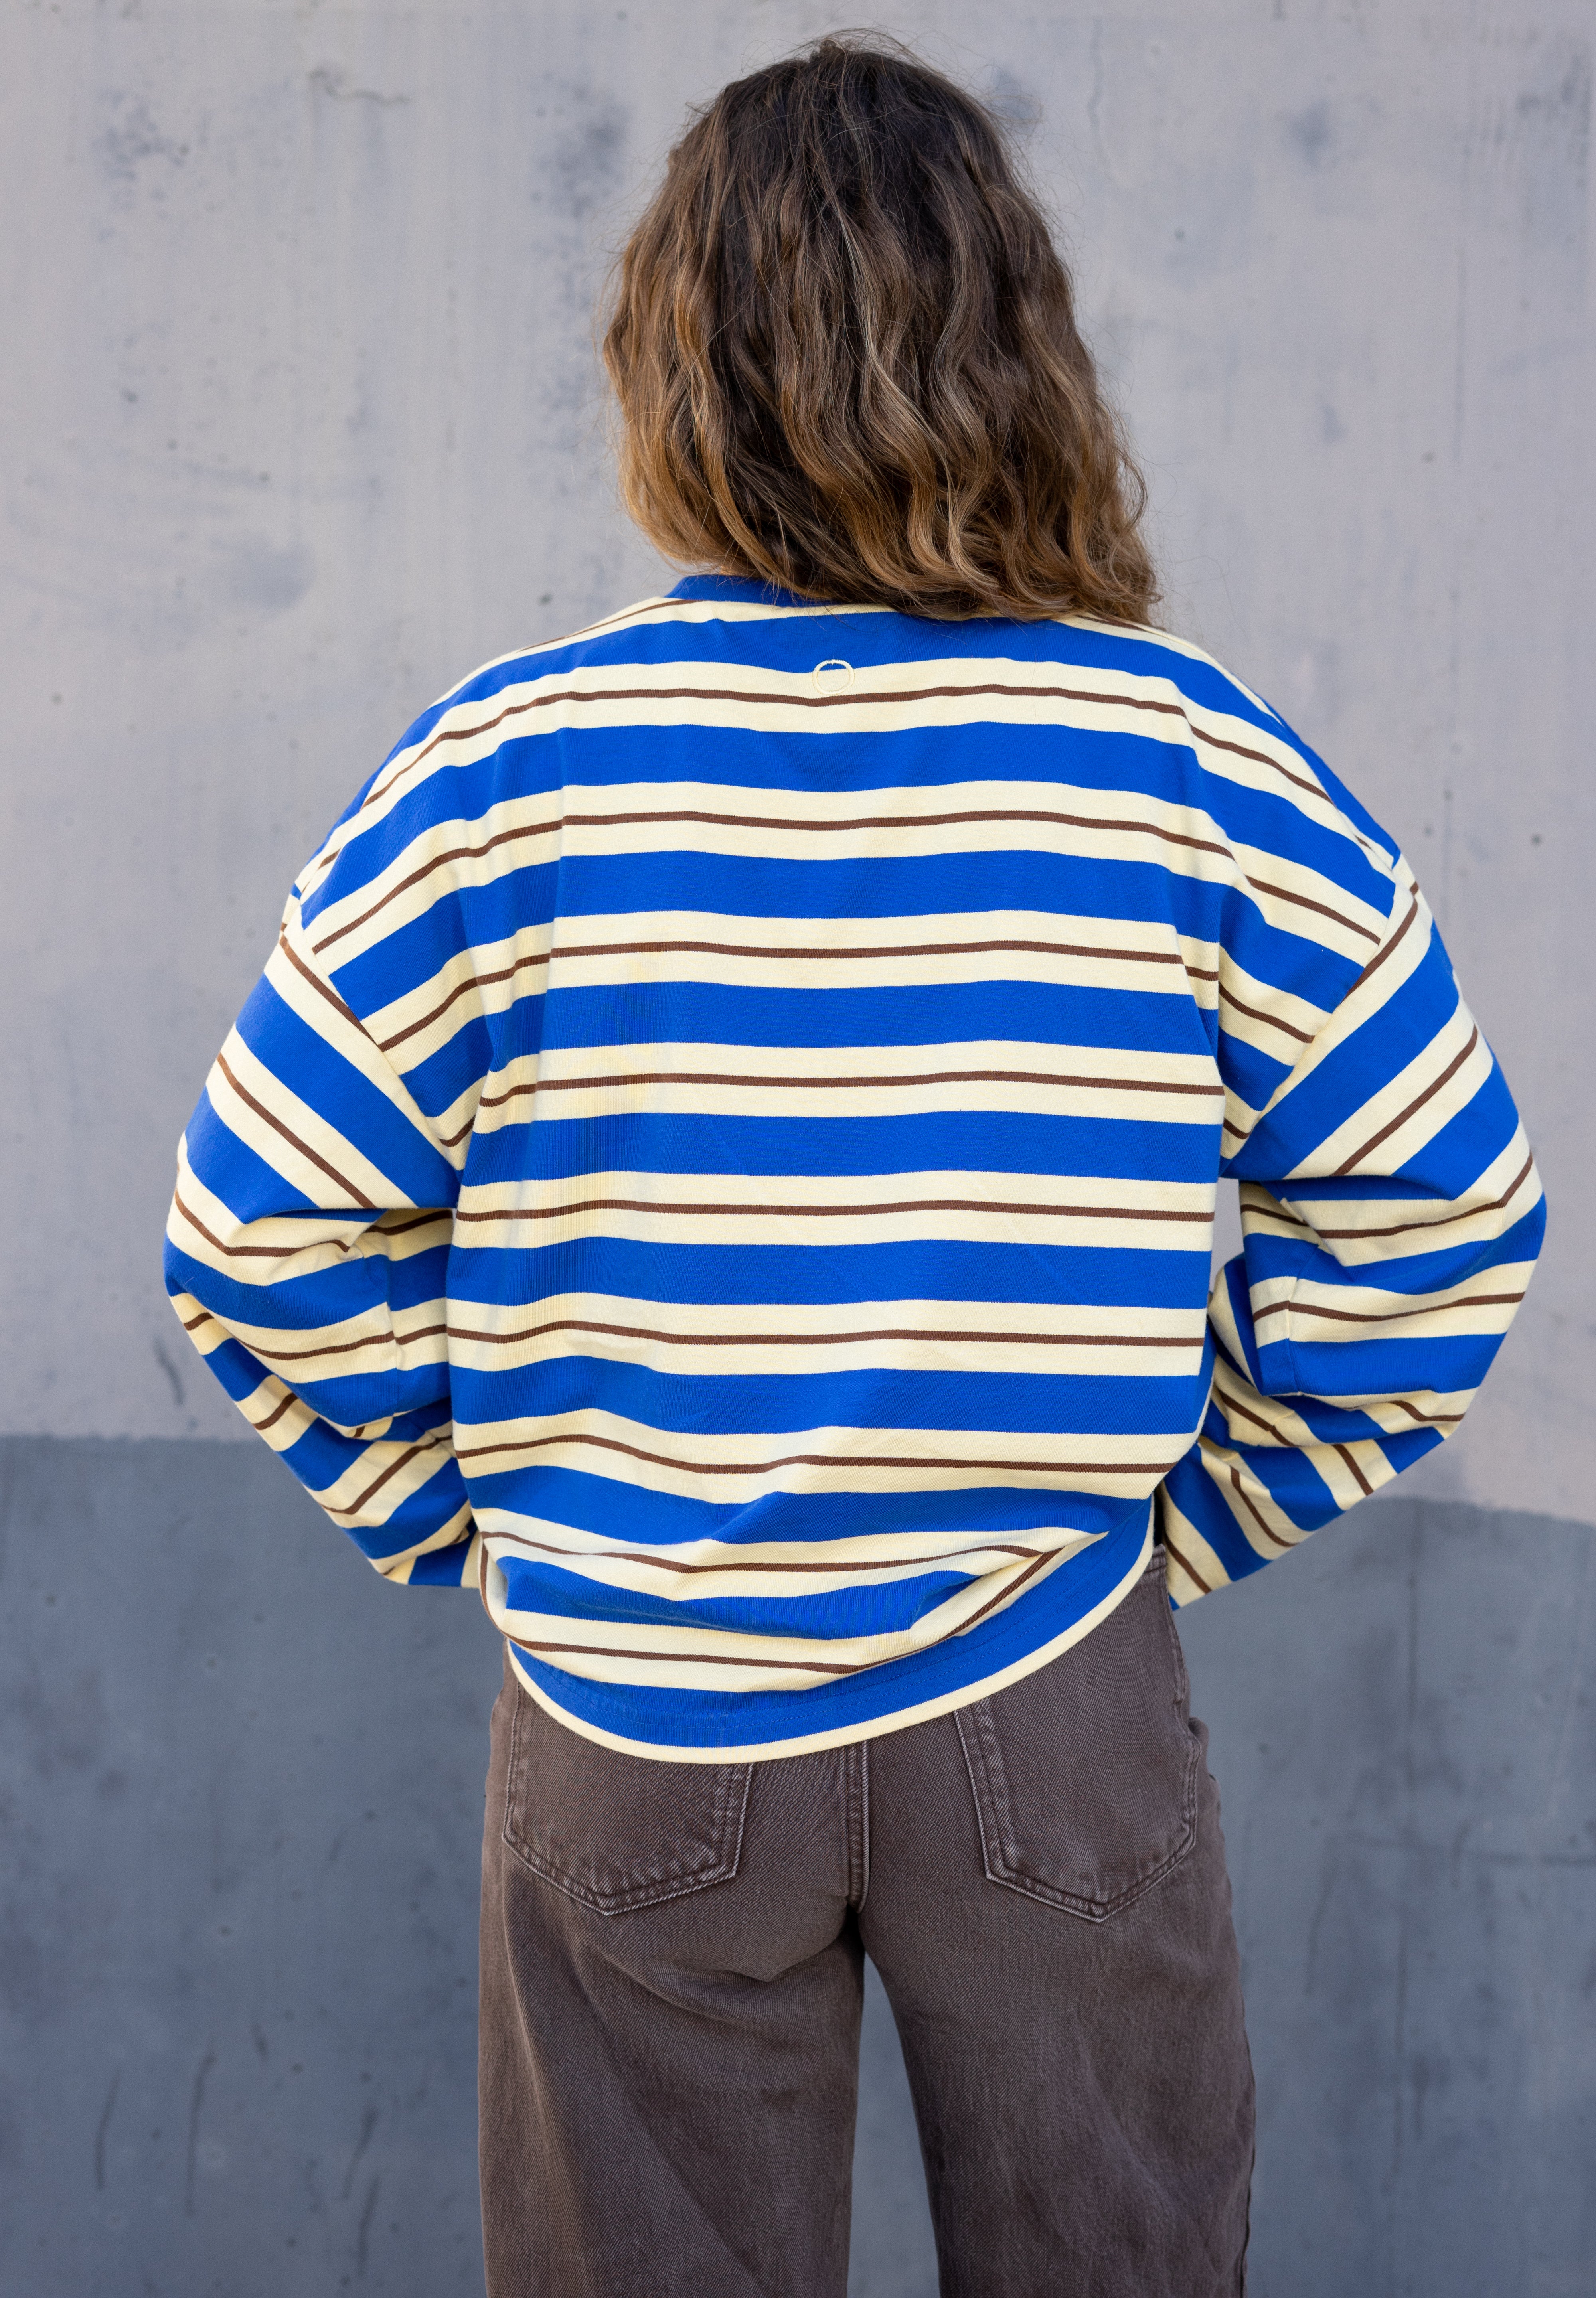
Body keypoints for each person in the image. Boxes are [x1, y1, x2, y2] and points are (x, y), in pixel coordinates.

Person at [163, 34, 1545, 2297]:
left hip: (627, 1696)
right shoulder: (1186, 759)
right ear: (1018, 345)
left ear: (666, 370)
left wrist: (488, 1521)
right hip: (1053, 1683)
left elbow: (255, 1239)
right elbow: (1444, 1220)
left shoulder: (502, 774)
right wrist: (1177, 1522)